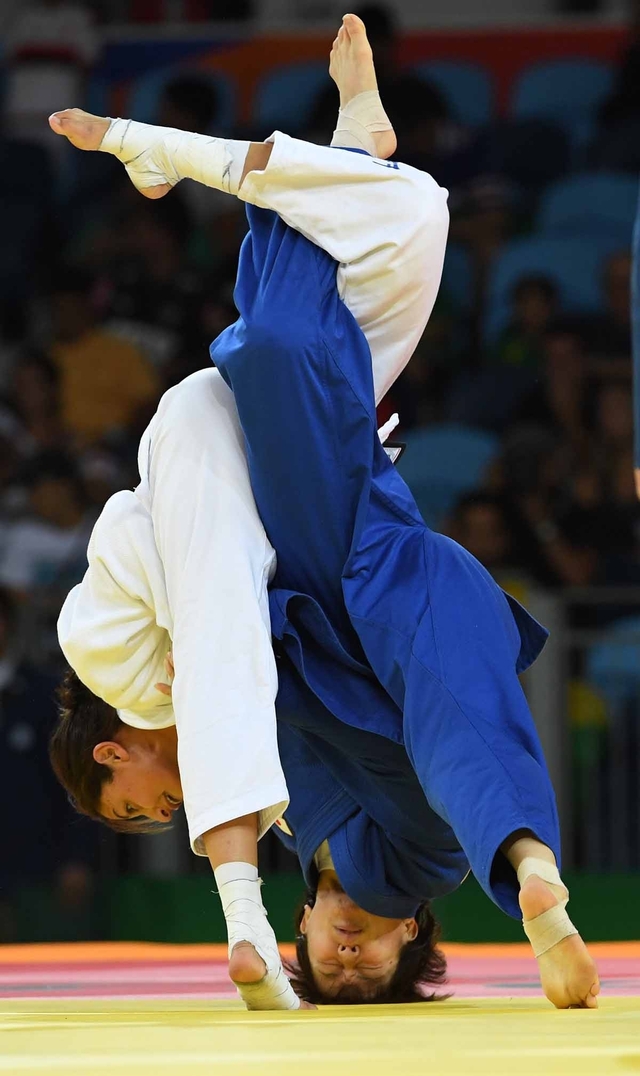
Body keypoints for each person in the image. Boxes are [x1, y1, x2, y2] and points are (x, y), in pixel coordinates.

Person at [49, 15, 599, 1011]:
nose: (346, 956)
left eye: (328, 966)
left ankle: (339, 143)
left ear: (299, 923)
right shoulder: (397, 865)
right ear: (412, 934)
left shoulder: (273, 805)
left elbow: (206, 622)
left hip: (326, 549)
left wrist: (187, 629)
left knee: (295, 326)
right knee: (458, 720)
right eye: (369, 969)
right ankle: (527, 863)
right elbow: (226, 657)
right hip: (374, 566)